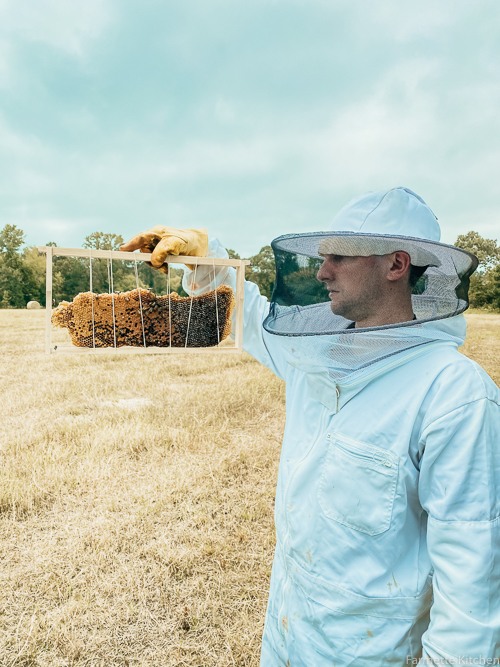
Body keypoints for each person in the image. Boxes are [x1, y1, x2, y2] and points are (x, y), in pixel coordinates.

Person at [121, 187, 500, 666]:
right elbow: (251, 317)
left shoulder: (455, 395)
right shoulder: (314, 355)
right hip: (287, 635)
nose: (323, 271)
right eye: (323, 257)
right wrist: (207, 259)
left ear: (397, 265)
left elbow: (472, 588)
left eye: (339, 257)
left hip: (375, 654)